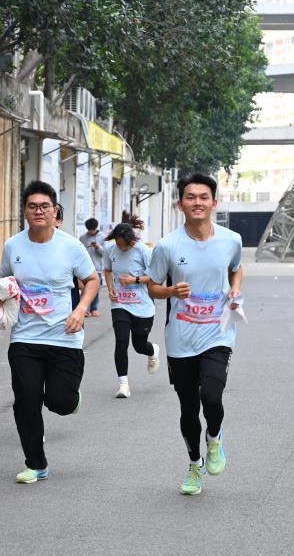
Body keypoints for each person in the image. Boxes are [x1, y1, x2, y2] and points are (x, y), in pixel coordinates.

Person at [0, 181, 99, 484]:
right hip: (25, 337)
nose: (38, 211)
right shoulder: (13, 246)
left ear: (55, 211)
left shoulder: (71, 247)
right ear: (25, 211)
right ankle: (36, 463)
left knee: (60, 402)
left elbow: (92, 280)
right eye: (32, 206)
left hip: (64, 336)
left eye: (44, 206)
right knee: (26, 400)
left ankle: (71, 399)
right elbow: (4, 281)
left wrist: (81, 309)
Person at [147, 172, 243, 496]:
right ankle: (194, 464)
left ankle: (214, 438)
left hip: (217, 333)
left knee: (211, 396)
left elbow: (236, 268)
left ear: (214, 202)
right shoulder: (167, 246)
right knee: (188, 408)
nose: (197, 202)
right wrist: (171, 290)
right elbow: (152, 287)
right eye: (191, 197)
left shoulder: (231, 240)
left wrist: (235, 289)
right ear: (180, 204)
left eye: (204, 197)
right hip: (180, 339)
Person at [102, 220, 160, 398]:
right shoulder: (110, 250)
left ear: (131, 241)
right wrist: (110, 288)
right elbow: (107, 270)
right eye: (118, 244)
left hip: (142, 306)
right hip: (120, 304)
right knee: (121, 342)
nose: (121, 247)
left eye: (124, 245)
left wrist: (135, 280)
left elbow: (156, 276)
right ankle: (123, 385)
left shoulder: (143, 251)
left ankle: (152, 350)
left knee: (139, 346)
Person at [79, 218, 105, 316]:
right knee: (85, 288)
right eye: (89, 230)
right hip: (84, 267)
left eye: (93, 230)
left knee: (95, 288)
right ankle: (85, 309)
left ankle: (94, 308)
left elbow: (105, 253)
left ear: (96, 228)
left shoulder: (102, 237)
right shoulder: (83, 238)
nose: (91, 232)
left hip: (97, 267)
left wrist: (98, 247)